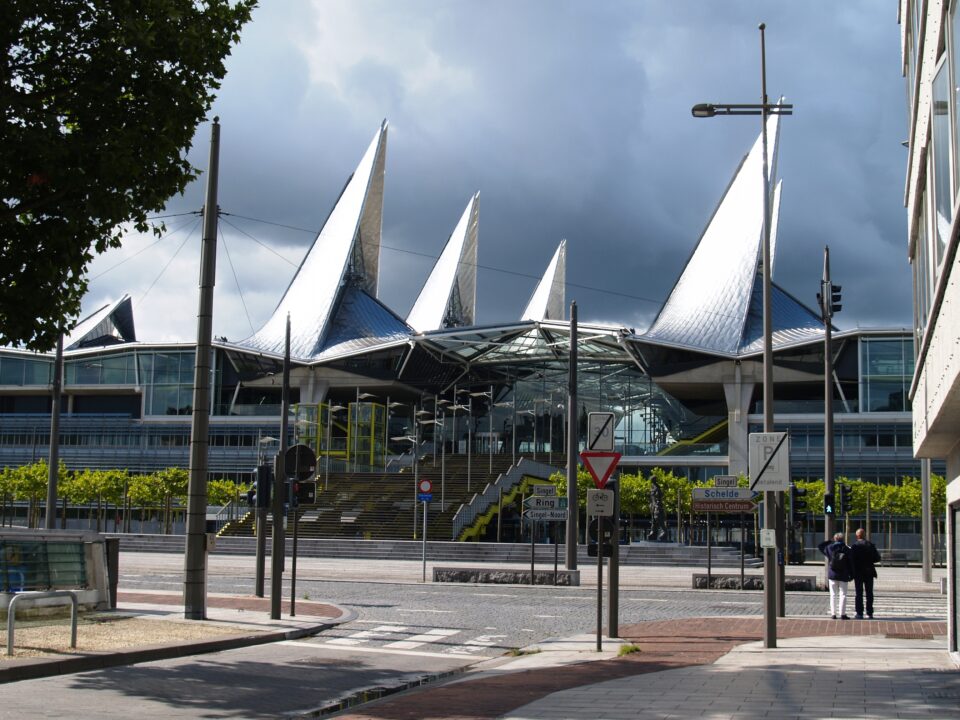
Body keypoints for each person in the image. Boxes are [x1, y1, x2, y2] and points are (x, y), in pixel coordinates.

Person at [818, 532, 854, 619]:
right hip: (843, 574)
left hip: (833, 574)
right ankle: (842, 614)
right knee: (843, 594)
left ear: (835, 539)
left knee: (833, 594)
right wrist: (852, 574)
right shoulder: (847, 549)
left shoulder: (829, 548)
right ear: (843, 539)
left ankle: (833, 614)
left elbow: (820, 546)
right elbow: (850, 563)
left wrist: (830, 541)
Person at [849, 527, 882, 619]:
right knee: (869, 593)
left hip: (858, 572)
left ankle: (859, 613)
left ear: (857, 536)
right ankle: (869, 612)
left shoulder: (854, 546)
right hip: (869, 571)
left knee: (858, 593)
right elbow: (877, 558)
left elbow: (851, 559)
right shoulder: (870, 545)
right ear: (864, 535)